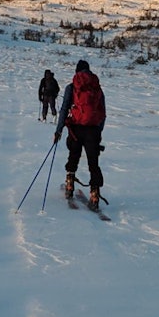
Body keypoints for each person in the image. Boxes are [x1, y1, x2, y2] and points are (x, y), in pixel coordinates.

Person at [54, 59, 107, 209]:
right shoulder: (97, 88)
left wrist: (58, 130)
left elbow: (64, 109)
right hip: (93, 130)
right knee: (93, 163)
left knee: (74, 156)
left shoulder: (72, 87)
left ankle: (69, 184)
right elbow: (103, 113)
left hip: (76, 128)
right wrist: (98, 131)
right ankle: (95, 193)